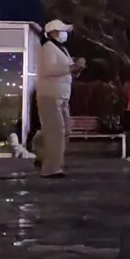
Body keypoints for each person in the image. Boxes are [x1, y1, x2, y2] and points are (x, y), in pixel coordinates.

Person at [35, 19, 84, 178]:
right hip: (50, 95)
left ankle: (43, 155)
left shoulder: (61, 49)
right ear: (54, 32)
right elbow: (49, 69)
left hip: (62, 96)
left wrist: (75, 69)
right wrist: (70, 68)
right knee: (55, 131)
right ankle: (51, 168)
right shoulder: (47, 48)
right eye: (63, 31)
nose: (65, 34)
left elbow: (65, 71)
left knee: (64, 130)